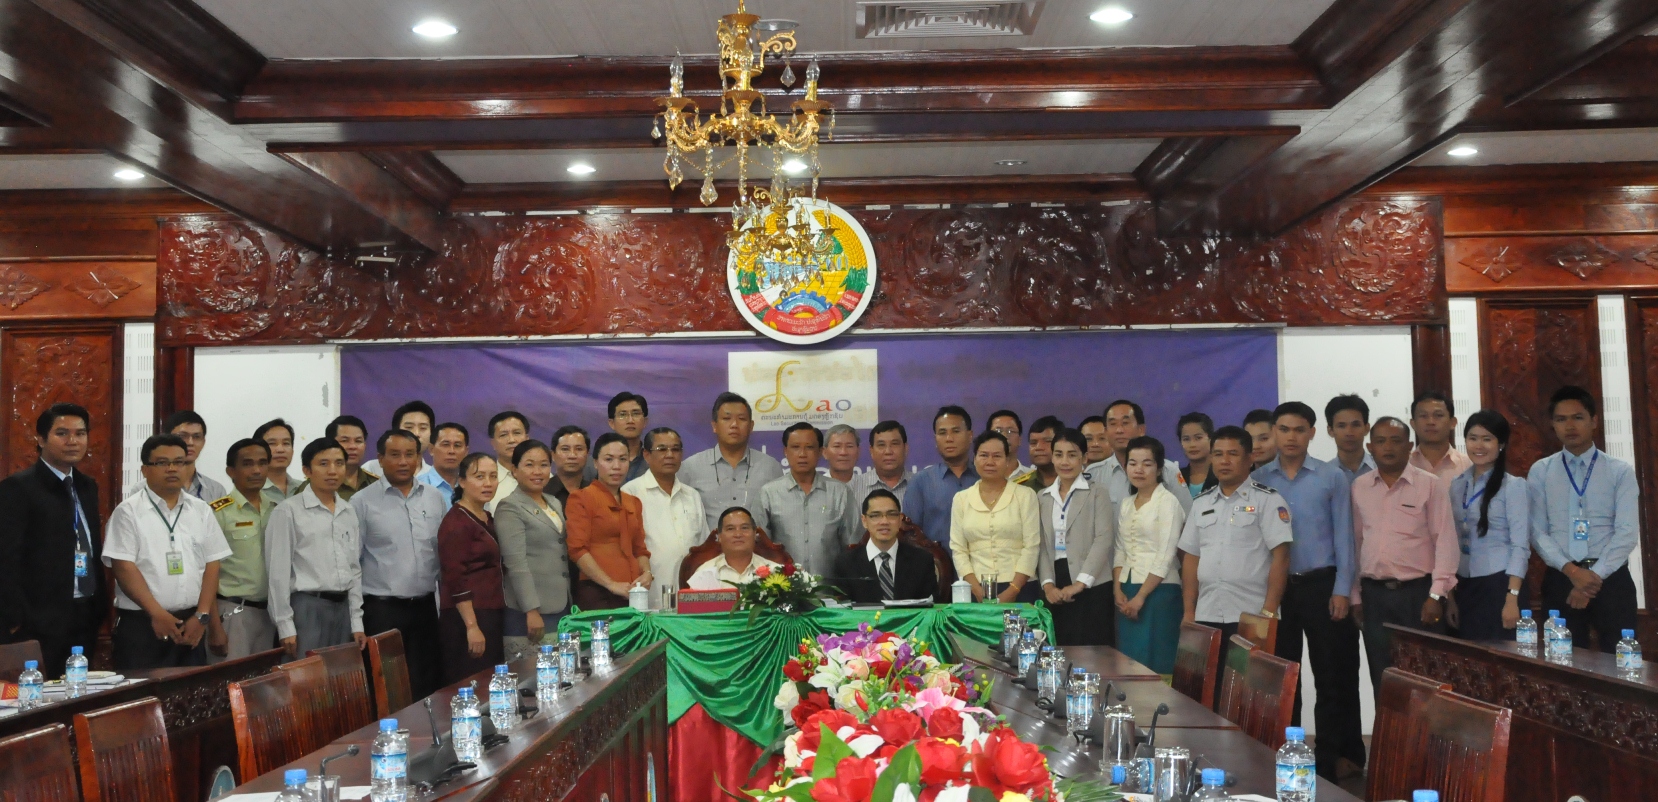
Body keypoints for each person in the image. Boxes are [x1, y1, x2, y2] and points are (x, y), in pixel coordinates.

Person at [1251, 402, 1364, 781]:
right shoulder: (1260, 478)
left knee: (1331, 675)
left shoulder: (1331, 477)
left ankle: (1329, 761)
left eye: (1299, 429)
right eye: (1283, 429)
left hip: (1322, 585)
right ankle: (1286, 754)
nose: (1291, 437)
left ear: (1313, 433)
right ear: (1274, 433)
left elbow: (1345, 536)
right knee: (1283, 676)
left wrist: (1342, 589)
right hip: (1277, 589)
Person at [1179, 425, 1292, 689]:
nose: (1224, 461)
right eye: (1218, 454)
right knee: (1207, 690)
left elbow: (1281, 557)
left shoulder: (1268, 500)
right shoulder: (1202, 503)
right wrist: (1189, 611)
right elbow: (1191, 558)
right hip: (1207, 612)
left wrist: (1268, 612)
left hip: (1250, 615)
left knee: (1247, 692)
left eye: (1233, 454)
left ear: (1250, 458)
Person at [1529, 386, 1640, 653]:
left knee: (1621, 661)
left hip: (1610, 578)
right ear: (1553, 425)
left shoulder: (1620, 471)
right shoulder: (1541, 471)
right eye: (1561, 419)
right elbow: (1537, 531)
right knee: (1562, 661)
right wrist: (1573, 572)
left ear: (1594, 421)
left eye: (1578, 417)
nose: (1570, 426)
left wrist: (1591, 578)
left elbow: (1626, 533)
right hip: (1562, 577)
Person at [104, 434, 230, 670]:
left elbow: (212, 564)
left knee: (191, 691)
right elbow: (123, 567)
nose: (172, 469)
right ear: (145, 470)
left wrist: (202, 616)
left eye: (180, 462)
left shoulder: (201, 510)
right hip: (143, 624)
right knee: (143, 691)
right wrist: (157, 613)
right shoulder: (128, 512)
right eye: (162, 463)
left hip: (191, 623)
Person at [1351, 417, 1458, 689]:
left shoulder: (1430, 485)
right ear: (1370, 447)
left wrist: (1437, 595)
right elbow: (1356, 542)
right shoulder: (1360, 487)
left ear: (1410, 446)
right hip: (1374, 596)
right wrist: (1355, 595)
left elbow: (1445, 542)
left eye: (1396, 441)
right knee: (1383, 677)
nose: (1388, 447)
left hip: (1418, 595)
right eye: (1380, 441)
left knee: (1424, 677)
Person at [0, 403, 107, 674]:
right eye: (62, 433)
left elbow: (91, 547)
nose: (73, 441)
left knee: (79, 691)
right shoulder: (18, 488)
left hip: (84, 613)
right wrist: (15, 619)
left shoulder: (87, 486)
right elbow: (6, 559)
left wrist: (99, 608)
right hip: (38, 620)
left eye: (80, 433)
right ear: (40, 439)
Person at [352, 430, 446, 699]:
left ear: (419, 458)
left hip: (426, 608)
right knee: (389, 689)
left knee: (427, 685)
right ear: (380, 459)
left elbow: (441, 556)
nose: (403, 462)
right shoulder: (361, 502)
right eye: (395, 455)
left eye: (410, 455)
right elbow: (352, 564)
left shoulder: (434, 498)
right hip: (382, 611)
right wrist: (356, 620)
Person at [266, 437, 366, 656]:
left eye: (339, 463)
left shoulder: (348, 511)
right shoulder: (288, 511)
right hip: (307, 608)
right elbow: (278, 573)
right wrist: (285, 625)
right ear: (306, 470)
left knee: (339, 675)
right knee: (305, 674)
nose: (333, 471)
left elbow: (354, 569)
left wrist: (356, 622)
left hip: (343, 609)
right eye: (323, 464)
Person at [1450, 411, 1531, 642]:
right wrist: (1451, 595)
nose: (1479, 445)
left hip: (1500, 584)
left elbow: (1520, 546)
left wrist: (1512, 597)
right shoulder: (1457, 485)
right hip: (1465, 583)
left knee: (1502, 656)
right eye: (1473, 438)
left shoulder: (1513, 486)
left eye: (1487, 439)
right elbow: (1451, 540)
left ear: (1501, 444)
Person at [1113, 435, 1187, 674]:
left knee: (1157, 657)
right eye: (1133, 463)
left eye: (1147, 463)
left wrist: (1141, 597)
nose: (1139, 470)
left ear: (1159, 468)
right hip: (1128, 589)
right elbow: (1120, 549)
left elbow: (1166, 554)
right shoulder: (1127, 503)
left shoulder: (1168, 502)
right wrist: (1117, 589)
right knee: (1129, 658)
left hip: (1159, 592)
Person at [1038, 429, 1116, 646]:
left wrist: (1080, 584)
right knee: (1059, 650)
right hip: (1056, 583)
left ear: (1084, 458)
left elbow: (1103, 539)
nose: (1065, 461)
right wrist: (1048, 585)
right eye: (1059, 454)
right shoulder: (1043, 497)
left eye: (1072, 455)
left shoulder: (1097, 492)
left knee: (1093, 654)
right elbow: (1042, 545)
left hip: (1092, 584)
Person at [496, 440, 571, 664]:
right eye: (529, 465)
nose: (538, 471)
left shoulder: (554, 502)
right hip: (530, 611)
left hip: (560, 604)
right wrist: (531, 610)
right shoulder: (509, 507)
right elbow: (516, 563)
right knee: (531, 678)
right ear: (514, 470)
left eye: (543, 465)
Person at [207, 439, 276, 664]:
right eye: (247, 464)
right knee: (231, 681)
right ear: (231, 471)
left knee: (264, 682)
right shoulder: (218, 513)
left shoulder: (277, 509)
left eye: (262, 463)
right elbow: (205, 572)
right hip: (232, 612)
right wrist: (214, 626)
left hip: (269, 614)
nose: (256, 470)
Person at [437, 452, 505, 684]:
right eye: (479, 476)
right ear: (462, 481)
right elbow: (456, 579)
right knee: (472, 685)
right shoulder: (456, 522)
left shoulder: (485, 516)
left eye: (493, 476)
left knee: (492, 684)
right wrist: (472, 626)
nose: (488, 483)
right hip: (467, 617)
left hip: (491, 612)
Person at [950, 431, 1041, 603]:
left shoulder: (1025, 495)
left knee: (1016, 623)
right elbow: (958, 549)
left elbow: (1032, 546)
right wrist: (976, 589)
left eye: (997, 456)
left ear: (1007, 460)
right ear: (974, 459)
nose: (990, 462)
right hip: (975, 588)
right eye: (984, 455)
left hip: (1021, 587)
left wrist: (1013, 591)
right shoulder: (961, 499)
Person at [566, 432, 652, 609]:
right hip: (597, 591)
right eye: (609, 459)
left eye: (623, 459)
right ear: (595, 463)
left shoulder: (633, 502)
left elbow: (640, 549)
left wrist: (647, 573)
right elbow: (577, 550)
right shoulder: (581, 498)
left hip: (631, 593)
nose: (616, 466)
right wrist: (610, 584)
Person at [755, 423, 854, 576]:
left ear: (820, 452)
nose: (802, 454)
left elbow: (853, 547)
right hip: (783, 587)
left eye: (809, 447)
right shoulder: (768, 493)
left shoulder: (840, 492)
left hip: (832, 588)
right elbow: (760, 548)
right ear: (785, 451)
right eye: (795, 447)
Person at [622, 427, 706, 604]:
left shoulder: (692, 495)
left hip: (691, 595)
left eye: (675, 449)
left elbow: (703, 547)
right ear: (646, 455)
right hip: (649, 594)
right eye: (662, 449)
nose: (669, 455)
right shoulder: (630, 493)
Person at [681, 392, 786, 533]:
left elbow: (780, 521)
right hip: (709, 547)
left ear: (751, 426)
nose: (734, 424)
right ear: (714, 426)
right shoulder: (690, 468)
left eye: (741, 419)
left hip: (758, 547)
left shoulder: (771, 467)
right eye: (726, 418)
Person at [833, 489, 938, 603]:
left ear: (900, 519)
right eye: (875, 515)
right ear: (864, 521)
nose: (884, 521)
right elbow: (843, 610)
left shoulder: (922, 560)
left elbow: (931, 608)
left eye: (891, 514)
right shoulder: (846, 563)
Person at [1085, 400, 1189, 510]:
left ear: (1141, 429)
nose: (1119, 430)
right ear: (1106, 432)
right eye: (1113, 424)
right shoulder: (1094, 474)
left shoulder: (1167, 470)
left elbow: (1187, 514)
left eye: (1125, 423)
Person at [907, 406, 979, 552]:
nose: (949, 439)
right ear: (935, 439)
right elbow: (909, 535)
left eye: (956, 431)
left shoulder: (985, 478)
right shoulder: (920, 482)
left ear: (970, 435)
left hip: (983, 563)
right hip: (935, 564)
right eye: (942, 433)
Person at [687, 507, 781, 590]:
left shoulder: (775, 571)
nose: (738, 534)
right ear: (719, 536)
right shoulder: (704, 573)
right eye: (730, 529)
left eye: (744, 528)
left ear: (755, 534)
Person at [848, 420, 911, 537]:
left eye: (895, 444)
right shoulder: (851, 489)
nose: (888, 451)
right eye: (881, 445)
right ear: (871, 451)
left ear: (905, 448)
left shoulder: (920, 485)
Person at [294, 416, 378, 501]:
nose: (353, 446)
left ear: (365, 445)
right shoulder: (311, 487)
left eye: (358, 441)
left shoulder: (376, 484)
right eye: (344, 440)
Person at [1409, 391, 1471, 489]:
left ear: (1453, 422)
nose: (1430, 422)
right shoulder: (1403, 465)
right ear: (1413, 424)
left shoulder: (1469, 466)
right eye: (1423, 416)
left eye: (1438, 415)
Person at [162, 410, 228, 501]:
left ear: (203, 442)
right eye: (182, 436)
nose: (190, 442)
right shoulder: (148, 488)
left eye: (197, 437)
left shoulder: (216, 491)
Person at [361, 400, 436, 478]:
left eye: (423, 428)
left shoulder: (434, 477)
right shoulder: (371, 469)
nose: (416, 433)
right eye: (409, 427)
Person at [485, 411, 530, 513]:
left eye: (517, 433)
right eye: (503, 435)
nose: (511, 440)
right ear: (493, 443)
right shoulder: (485, 483)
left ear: (527, 438)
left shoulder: (544, 478)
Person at [1325, 395, 1375, 483]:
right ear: (1330, 431)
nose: (1349, 432)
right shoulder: (1323, 475)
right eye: (1341, 426)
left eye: (1356, 425)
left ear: (1367, 428)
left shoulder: (1383, 469)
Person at [419, 422, 469, 509]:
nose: (451, 451)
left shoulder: (472, 487)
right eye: (445, 445)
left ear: (466, 452)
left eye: (457, 445)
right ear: (431, 449)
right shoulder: (417, 487)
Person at [607, 392, 651, 483]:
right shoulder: (596, 463)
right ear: (612, 423)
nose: (630, 420)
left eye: (636, 414)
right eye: (623, 415)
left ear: (645, 421)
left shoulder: (654, 461)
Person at [255, 418, 300, 502]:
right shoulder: (248, 492)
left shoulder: (307, 490)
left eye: (286, 443)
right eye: (272, 443)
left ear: (292, 451)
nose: (280, 449)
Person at [1176, 412, 1219, 498]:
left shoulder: (1222, 475)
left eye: (1198, 438)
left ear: (1211, 439)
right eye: (1186, 439)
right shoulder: (1176, 478)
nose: (1192, 444)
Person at [1015, 415, 1063, 492]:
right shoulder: (1020, 487)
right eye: (1033, 442)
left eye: (1047, 441)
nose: (1038, 447)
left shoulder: (1075, 482)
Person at [549, 425, 592, 508]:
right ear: (553, 455)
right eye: (565, 449)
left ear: (587, 454)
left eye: (579, 449)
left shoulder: (598, 493)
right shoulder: (541, 492)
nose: (572, 455)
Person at [987, 410, 1034, 483]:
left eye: (1010, 431)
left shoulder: (1032, 477)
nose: (1004, 436)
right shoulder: (978, 477)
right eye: (998, 431)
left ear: (1019, 439)